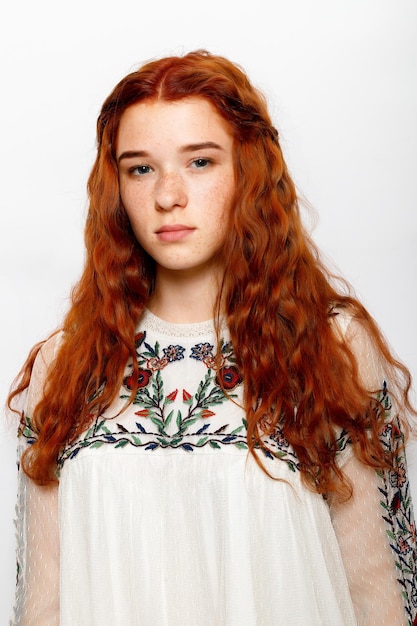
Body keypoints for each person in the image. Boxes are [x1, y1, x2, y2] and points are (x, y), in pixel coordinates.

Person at [7, 49, 417, 626]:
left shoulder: (331, 347)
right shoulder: (66, 366)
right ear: (116, 188)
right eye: (140, 168)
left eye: (199, 162)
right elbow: (41, 607)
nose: (168, 195)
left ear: (246, 172)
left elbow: (383, 597)